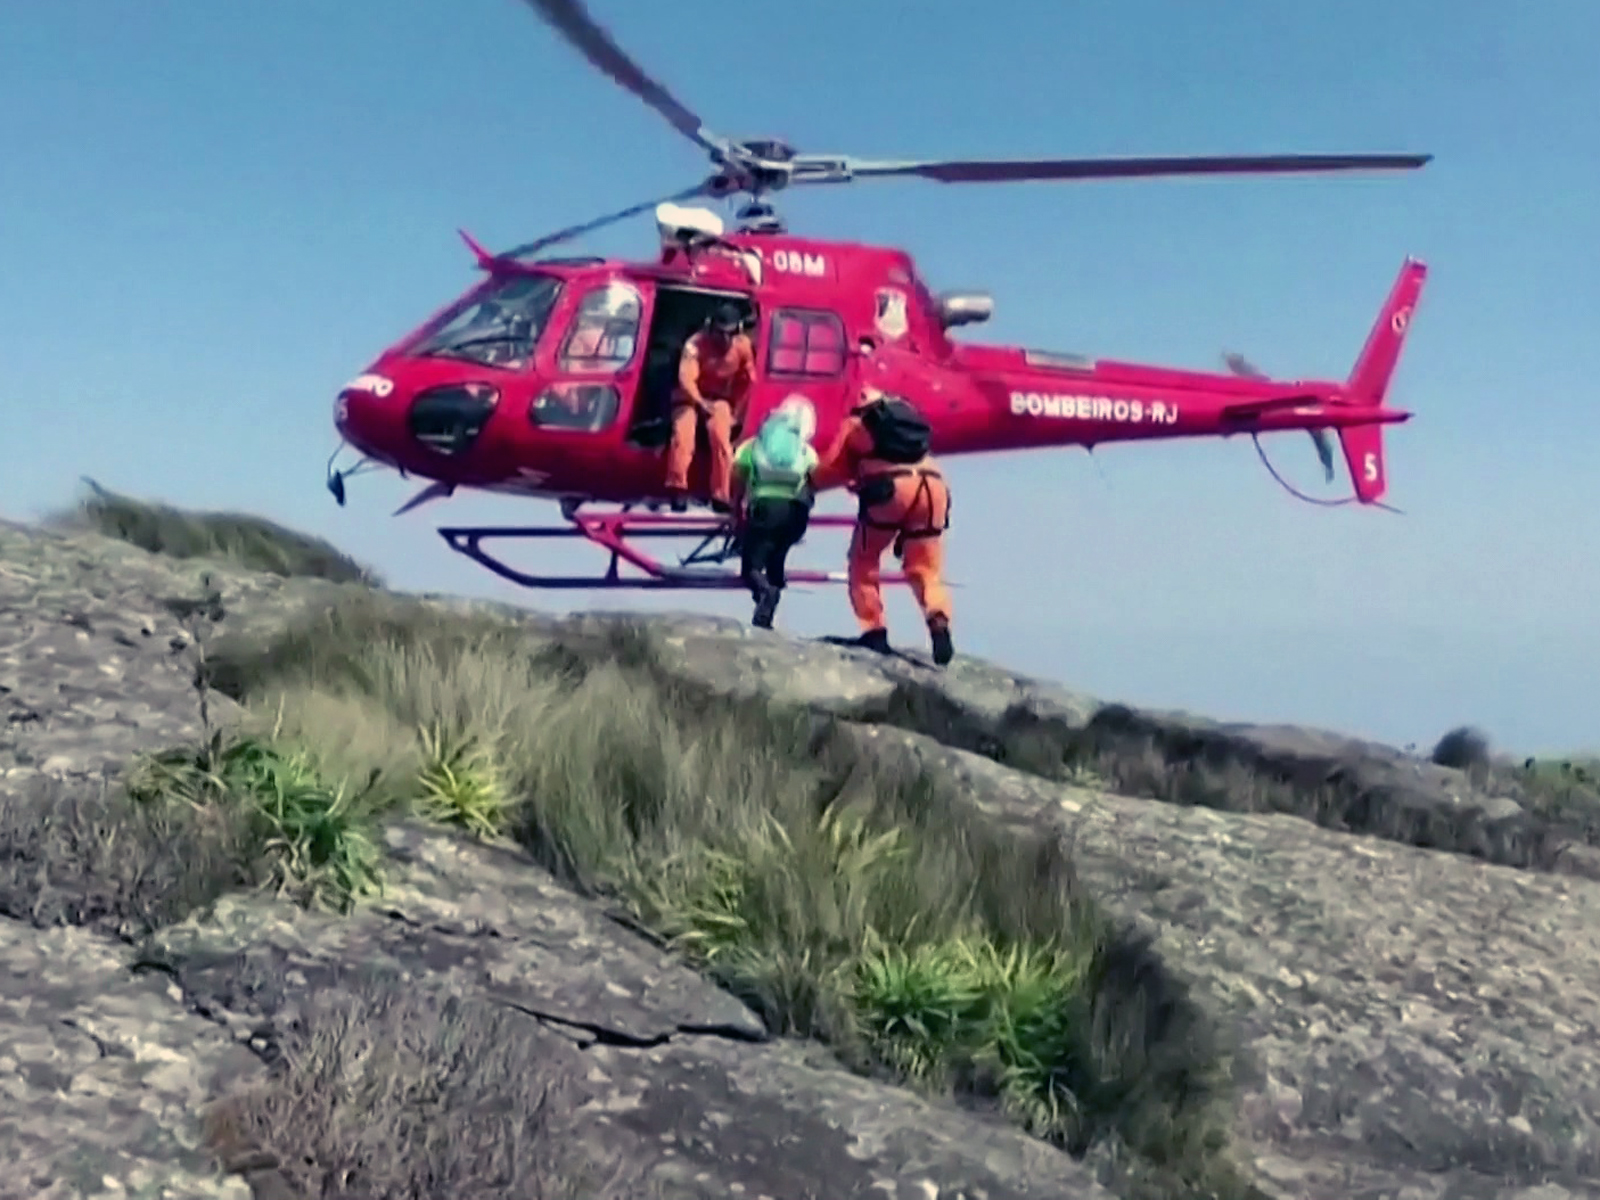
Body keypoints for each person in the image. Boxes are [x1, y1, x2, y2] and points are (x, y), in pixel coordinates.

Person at [811, 386, 954, 665]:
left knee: (864, 561)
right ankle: (938, 617)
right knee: (926, 568)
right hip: (934, 488)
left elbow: (832, 470)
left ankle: (874, 629)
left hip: (891, 490)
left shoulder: (857, 426)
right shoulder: (911, 423)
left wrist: (808, 482)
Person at [730, 396, 819, 629]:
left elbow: (738, 480)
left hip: (764, 510)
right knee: (776, 562)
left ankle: (764, 593)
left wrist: (735, 510)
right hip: (795, 515)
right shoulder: (804, 449)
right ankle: (765, 615)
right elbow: (815, 478)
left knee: (751, 568)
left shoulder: (753, 446)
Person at [665, 302, 754, 513]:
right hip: (689, 397)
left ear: (737, 332)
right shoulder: (695, 345)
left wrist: (736, 411)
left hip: (719, 399)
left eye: (729, 334)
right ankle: (677, 487)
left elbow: (747, 381)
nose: (723, 339)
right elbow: (686, 378)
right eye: (719, 333)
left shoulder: (743, 347)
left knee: (721, 437)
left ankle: (721, 494)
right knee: (683, 433)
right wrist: (700, 402)